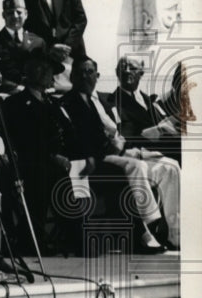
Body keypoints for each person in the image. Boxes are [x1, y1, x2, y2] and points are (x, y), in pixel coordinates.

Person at [60, 57, 180, 252]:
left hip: (120, 151)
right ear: (72, 76)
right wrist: (124, 149)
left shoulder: (97, 101)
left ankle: (175, 233)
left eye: (90, 72)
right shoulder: (71, 102)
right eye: (80, 72)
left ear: (97, 76)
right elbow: (83, 138)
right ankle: (151, 223)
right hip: (95, 158)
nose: (85, 76)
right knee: (135, 166)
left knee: (170, 167)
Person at [0, 56, 75, 254]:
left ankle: (73, 237)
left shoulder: (52, 103)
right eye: (46, 70)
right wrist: (52, 155)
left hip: (54, 160)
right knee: (41, 174)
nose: (51, 76)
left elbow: (67, 131)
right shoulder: (15, 103)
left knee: (65, 174)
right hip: (28, 161)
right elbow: (23, 138)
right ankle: (32, 240)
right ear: (35, 73)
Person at [109, 55, 181, 164]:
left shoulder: (150, 100)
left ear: (141, 73)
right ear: (116, 72)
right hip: (145, 156)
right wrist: (152, 132)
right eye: (123, 67)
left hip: (169, 149)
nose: (127, 71)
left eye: (132, 68)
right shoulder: (112, 103)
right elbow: (123, 139)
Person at [0, 0, 49, 95]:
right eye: (10, 12)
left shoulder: (38, 42)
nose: (15, 16)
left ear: (26, 14)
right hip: (4, 98)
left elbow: (45, 74)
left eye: (19, 12)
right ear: (3, 15)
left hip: (32, 97)